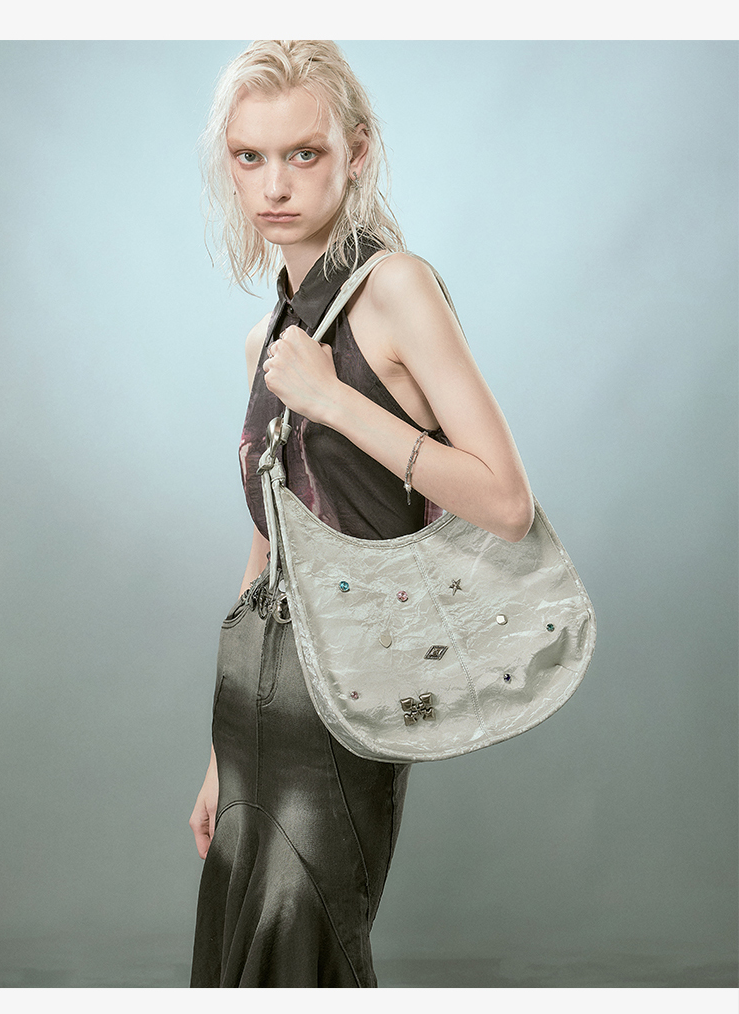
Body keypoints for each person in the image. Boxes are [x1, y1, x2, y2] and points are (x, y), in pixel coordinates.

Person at [188, 39, 534, 988]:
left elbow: (506, 503)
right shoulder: (267, 336)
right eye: (250, 157)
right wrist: (219, 757)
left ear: (358, 151)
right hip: (252, 690)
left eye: (304, 153)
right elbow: (272, 539)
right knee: (237, 949)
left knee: (303, 942)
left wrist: (336, 401)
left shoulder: (397, 289)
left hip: (352, 685)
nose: (275, 185)